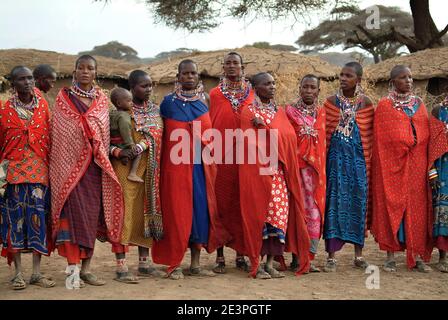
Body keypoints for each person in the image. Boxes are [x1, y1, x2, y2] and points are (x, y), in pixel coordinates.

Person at [49, 55, 124, 289]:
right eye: (80, 68)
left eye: (89, 69)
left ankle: (87, 269)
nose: (85, 72)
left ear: (95, 73)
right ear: (74, 72)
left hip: (94, 169)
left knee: (90, 218)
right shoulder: (63, 100)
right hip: (67, 170)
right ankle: (72, 268)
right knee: (69, 220)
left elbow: (103, 134)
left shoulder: (101, 101)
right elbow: (59, 135)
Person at [152, 60, 229, 280]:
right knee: (176, 212)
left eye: (193, 73)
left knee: (199, 212)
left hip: (199, 167)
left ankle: (195, 264)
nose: (189, 77)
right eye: (184, 73)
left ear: (198, 77)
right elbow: (161, 136)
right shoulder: (167, 103)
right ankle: (174, 264)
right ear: (178, 76)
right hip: (174, 168)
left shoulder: (205, 100)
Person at [238, 72, 310, 279]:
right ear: (256, 88)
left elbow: (287, 139)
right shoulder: (248, 112)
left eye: (273, 83)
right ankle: (257, 264)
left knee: (278, 217)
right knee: (258, 217)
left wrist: (266, 129)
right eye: (267, 84)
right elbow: (249, 144)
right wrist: (266, 132)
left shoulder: (279, 112)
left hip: (279, 174)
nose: (272, 87)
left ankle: (270, 263)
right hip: (257, 175)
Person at [372, 65, 433, 272]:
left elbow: (426, 132)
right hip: (392, 165)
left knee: (417, 207)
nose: (408, 81)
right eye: (402, 78)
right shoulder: (385, 105)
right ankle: (390, 256)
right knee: (392, 204)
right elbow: (382, 139)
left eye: (410, 77)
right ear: (392, 82)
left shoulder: (420, 104)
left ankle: (417, 256)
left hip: (417, 163)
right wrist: (401, 145)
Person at [0, 66, 55, 290]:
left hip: (39, 173)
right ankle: (17, 274)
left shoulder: (43, 107)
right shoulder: (4, 110)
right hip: (12, 174)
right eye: (21, 79)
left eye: (30, 78)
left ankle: (36, 273)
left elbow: (50, 137)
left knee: (38, 221)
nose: (27, 82)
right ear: (13, 84)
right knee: (15, 224)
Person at [109, 70, 163, 283]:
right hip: (123, 168)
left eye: (150, 85)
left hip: (148, 169)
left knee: (144, 212)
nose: (148, 89)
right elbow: (105, 140)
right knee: (123, 213)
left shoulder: (155, 111)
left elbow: (158, 136)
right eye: (143, 86)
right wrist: (119, 152)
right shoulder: (118, 112)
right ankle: (121, 266)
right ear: (132, 88)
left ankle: (144, 263)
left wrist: (142, 145)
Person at [323, 62, 374, 272]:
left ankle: (359, 255)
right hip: (335, 162)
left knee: (358, 203)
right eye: (341, 75)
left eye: (348, 76)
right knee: (334, 203)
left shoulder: (366, 104)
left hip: (359, 162)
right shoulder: (330, 103)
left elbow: (371, 137)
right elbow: (323, 133)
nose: (343, 78)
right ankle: (331, 257)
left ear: (358, 80)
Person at [209, 52, 254, 274]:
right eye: (228, 63)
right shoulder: (214, 94)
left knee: (241, 204)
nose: (232, 66)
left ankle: (240, 254)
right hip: (220, 157)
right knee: (220, 204)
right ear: (222, 67)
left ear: (242, 66)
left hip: (247, 158)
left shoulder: (253, 94)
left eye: (236, 62)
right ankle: (219, 255)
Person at [285, 74, 326, 273]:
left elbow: (324, 144)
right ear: (299, 89)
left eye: (313, 87)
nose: (309, 91)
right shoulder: (289, 112)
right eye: (305, 87)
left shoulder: (322, 113)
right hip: (296, 172)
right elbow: (286, 140)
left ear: (319, 91)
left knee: (315, 214)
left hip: (317, 175)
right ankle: (296, 258)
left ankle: (308, 257)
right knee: (297, 212)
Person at [429, 86, 448, 273]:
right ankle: (442, 257)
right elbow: (431, 145)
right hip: (444, 171)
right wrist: (432, 172)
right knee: (442, 211)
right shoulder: (439, 111)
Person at [109, 87, 144, 183]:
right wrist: (131, 144)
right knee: (138, 153)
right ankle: (132, 173)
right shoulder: (124, 116)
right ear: (119, 103)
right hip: (122, 143)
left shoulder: (111, 114)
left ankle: (125, 158)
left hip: (114, 143)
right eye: (129, 101)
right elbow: (125, 131)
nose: (132, 103)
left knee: (126, 153)